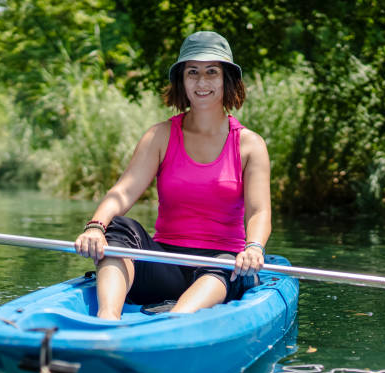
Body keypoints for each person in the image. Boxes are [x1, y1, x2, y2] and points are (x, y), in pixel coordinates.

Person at [74, 31, 271, 320]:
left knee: (225, 266)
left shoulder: (250, 145)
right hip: (163, 262)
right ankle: (106, 323)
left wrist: (254, 247)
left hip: (220, 266)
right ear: (182, 79)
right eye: (192, 72)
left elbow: (259, 211)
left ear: (227, 78)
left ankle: (175, 321)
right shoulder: (160, 136)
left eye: (211, 72)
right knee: (120, 227)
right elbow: (124, 191)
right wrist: (96, 225)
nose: (202, 82)